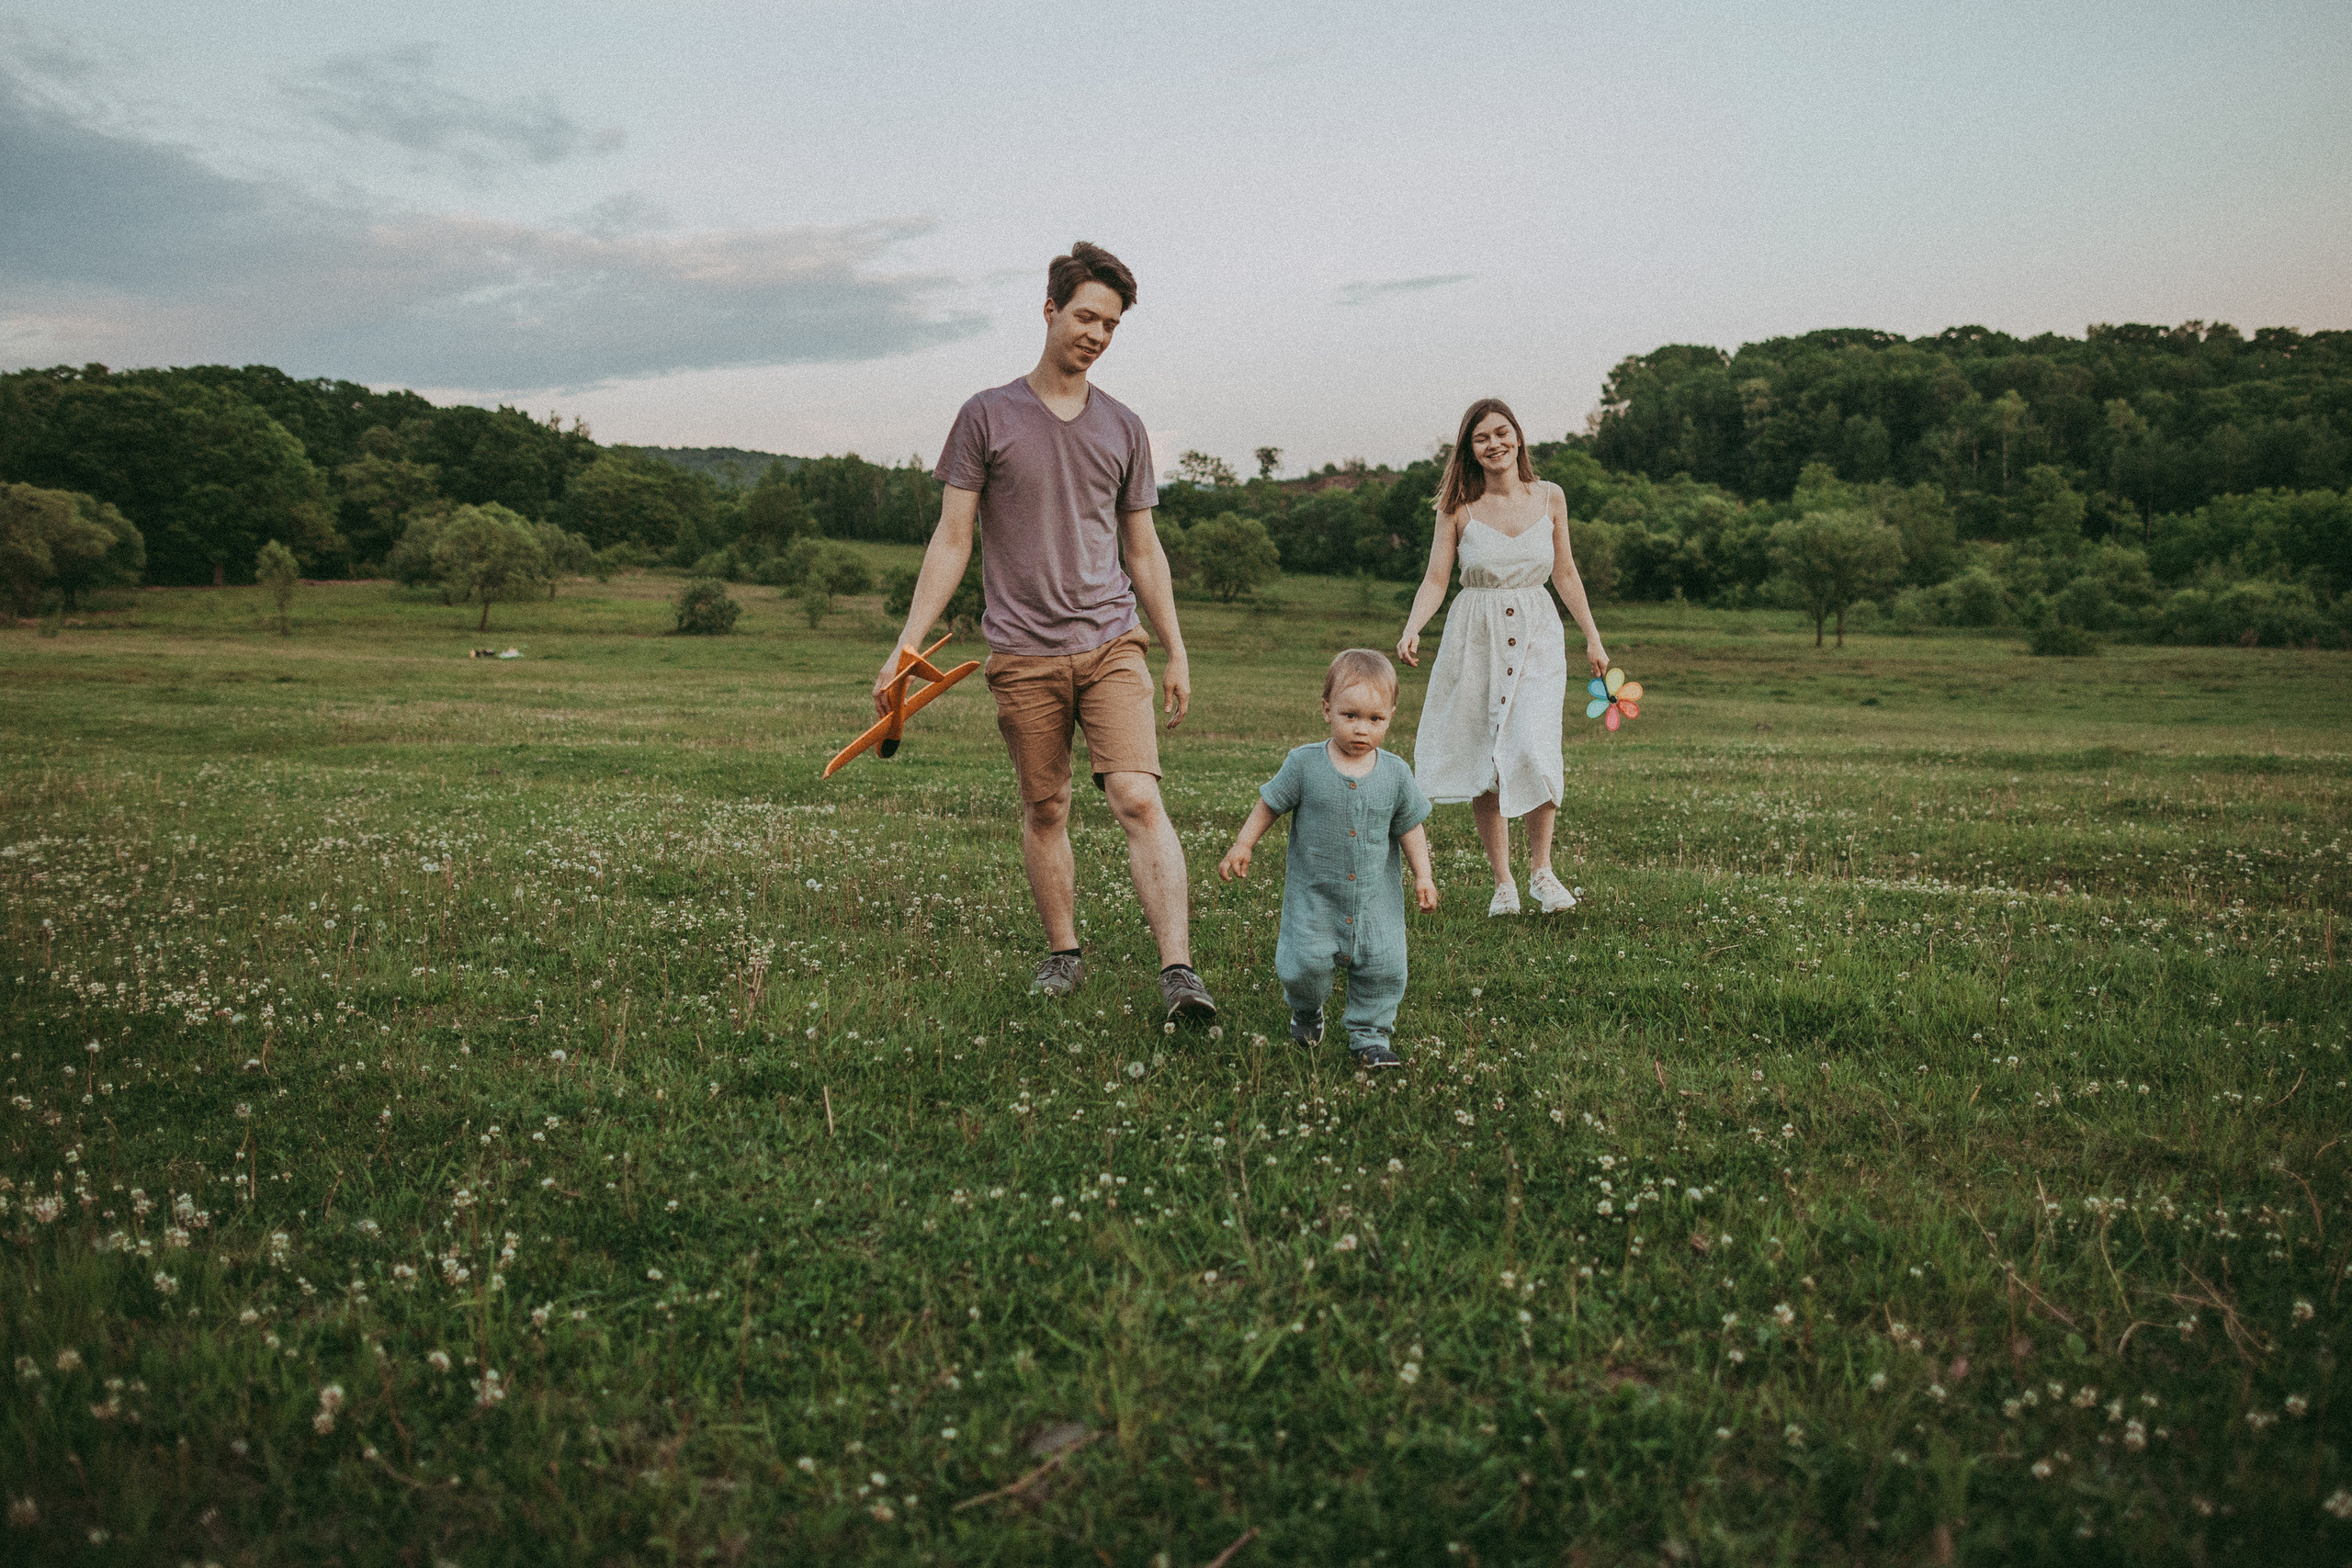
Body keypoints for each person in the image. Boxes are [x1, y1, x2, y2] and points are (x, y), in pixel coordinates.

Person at [876, 242, 1216, 1024]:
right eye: (1087, 316)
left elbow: (1143, 548)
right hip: (1023, 653)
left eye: (1112, 325)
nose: (1098, 334)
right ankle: (1064, 953)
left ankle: (1179, 973)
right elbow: (952, 539)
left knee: (1136, 796)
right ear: (1050, 310)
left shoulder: (1125, 427)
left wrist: (1175, 646)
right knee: (1046, 809)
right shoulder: (986, 415)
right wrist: (907, 642)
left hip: (1111, 642)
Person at [1396, 397, 1609, 917]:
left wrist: (1593, 637)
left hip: (1539, 632)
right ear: (1470, 450)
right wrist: (1412, 628)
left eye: (1501, 432)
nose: (1494, 444)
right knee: (1487, 755)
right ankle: (1504, 884)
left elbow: (1566, 573)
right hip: (1477, 634)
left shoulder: (1551, 497)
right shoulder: (1458, 508)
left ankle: (1543, 872)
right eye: (1481, 438)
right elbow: (1435, 579)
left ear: (1518, 436)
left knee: (1535, 745)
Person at [1216, 649, 1436, 1070]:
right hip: (1315, 898)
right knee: (1303, 966)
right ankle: (1305, 1008)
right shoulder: (1304, 764)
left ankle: (1370, 1038)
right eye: (1349, 715)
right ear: (1326, 709)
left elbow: (1411, 827)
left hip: (1376, 903)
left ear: (1391, 715)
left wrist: (1422, 875)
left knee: (1383, 967)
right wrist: (1243, 844)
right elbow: (1269, 804)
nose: (1361, 729)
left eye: (1375, 719)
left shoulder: (1395, 774)